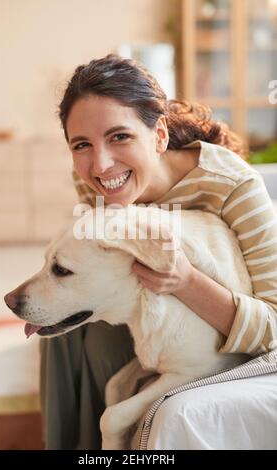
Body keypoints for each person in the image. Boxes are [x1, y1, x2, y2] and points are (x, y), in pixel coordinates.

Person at [40, 54, 277, 450]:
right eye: (82, 144)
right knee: (59, 329)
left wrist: (185, 281)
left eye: (120, 136)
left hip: (216, 325)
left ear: (160, 135)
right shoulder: (95, 181)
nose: (100, 165)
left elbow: (274, 324)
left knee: (99, 341)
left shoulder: (233, 187)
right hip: (149, 309)